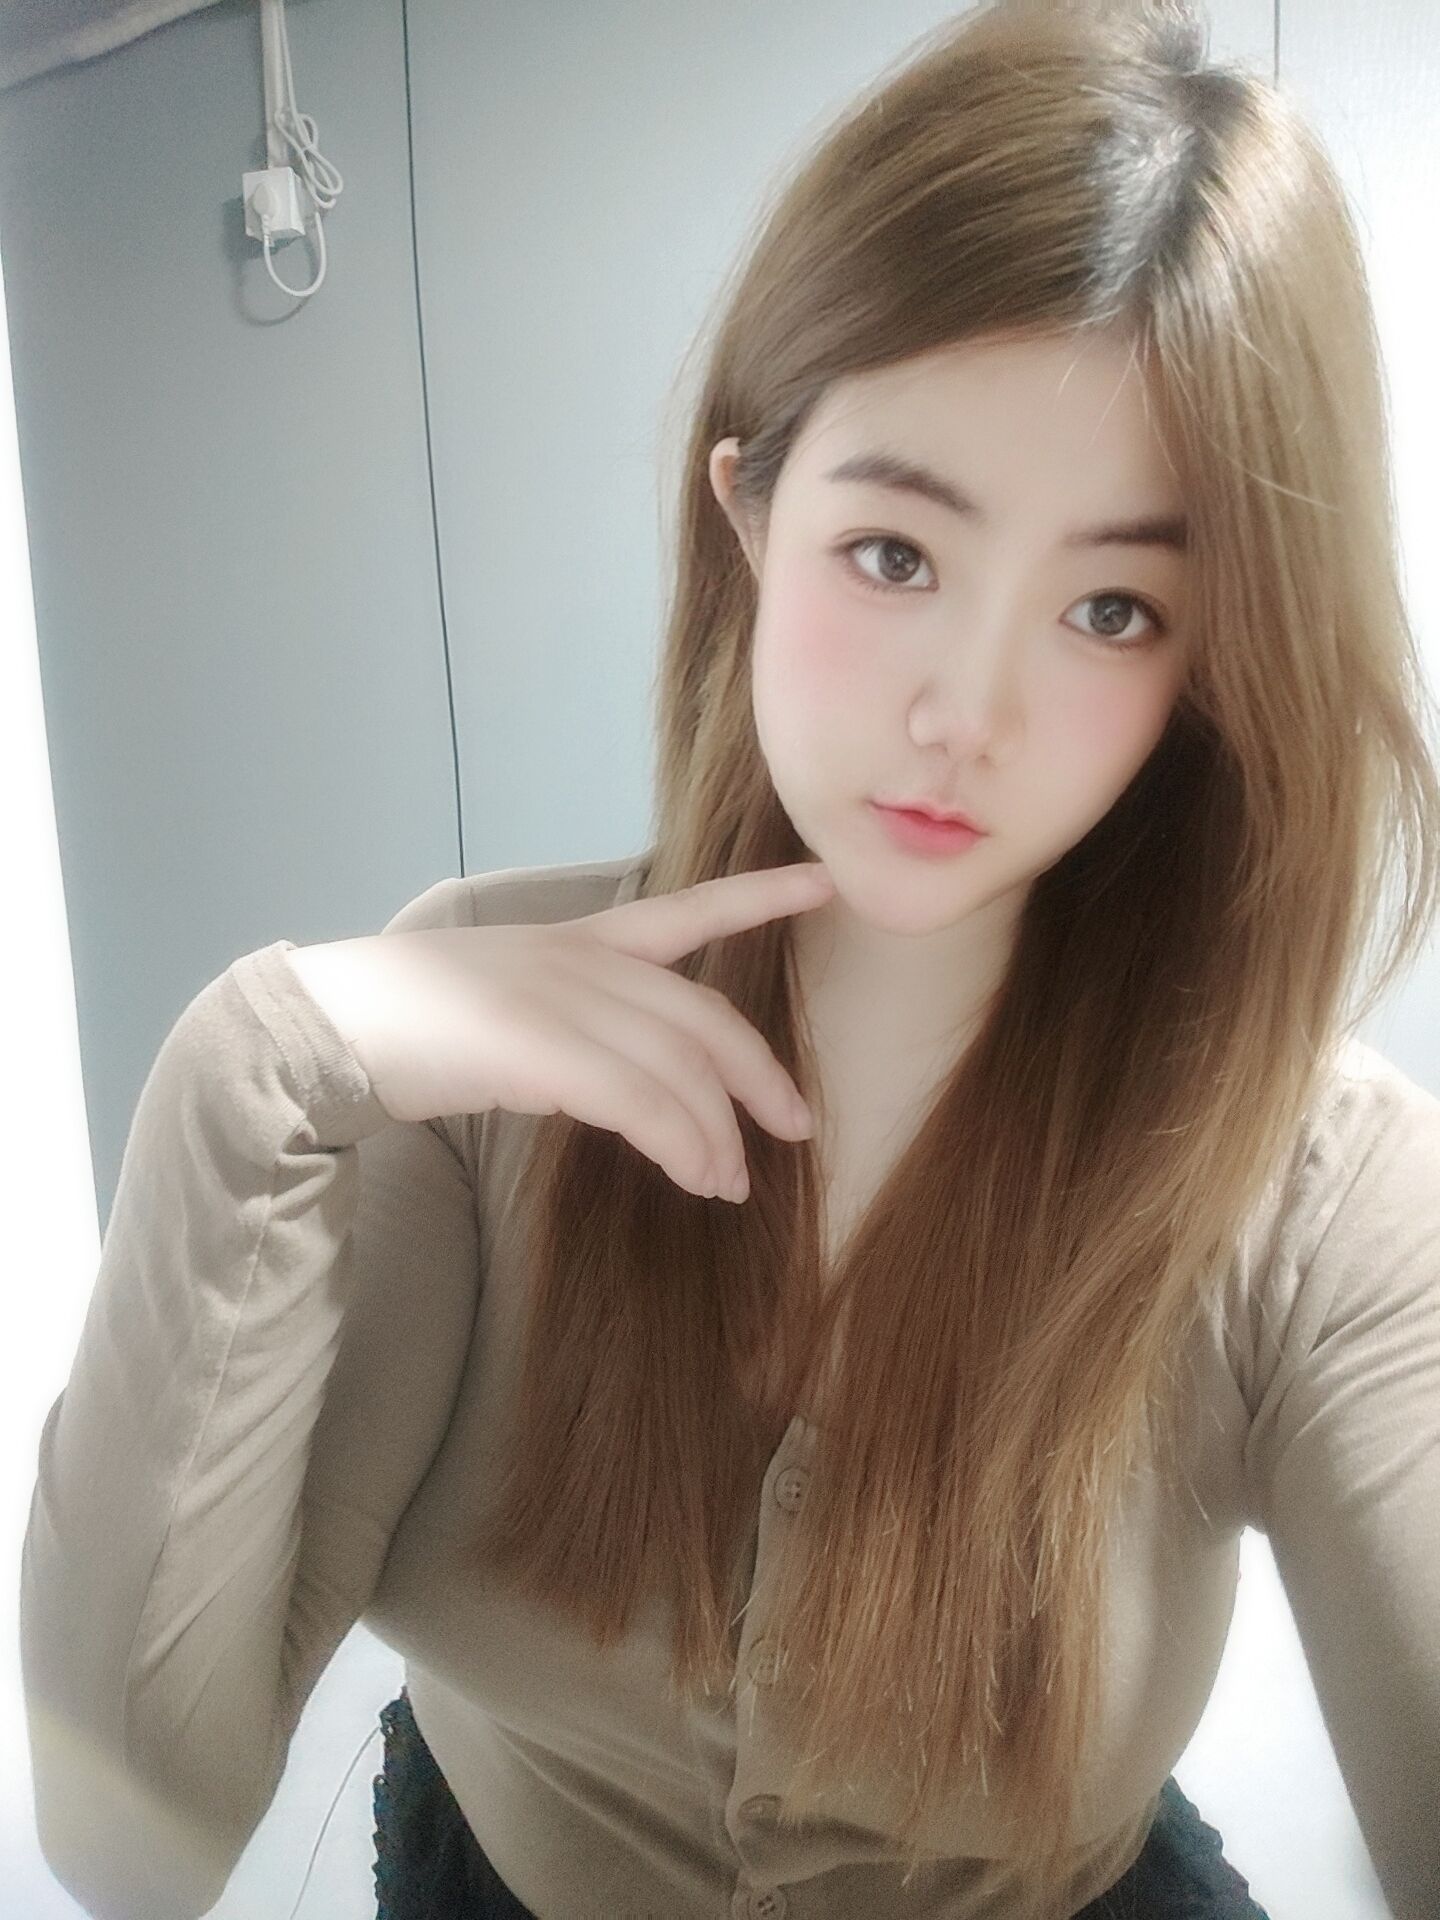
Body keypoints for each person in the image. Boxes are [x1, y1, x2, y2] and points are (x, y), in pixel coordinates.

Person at [19, 0, 1440, 1916]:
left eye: (1112, 607)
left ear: (1215, 662)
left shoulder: (1321, 1192)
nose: (967, 714)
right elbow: (133, 1846)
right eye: (898, 554)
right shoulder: (461, 1047)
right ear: (752, 511)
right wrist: (252, 1057)